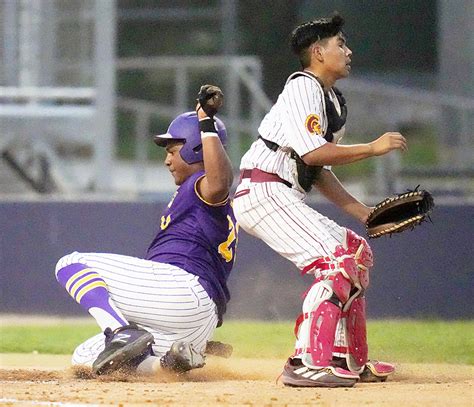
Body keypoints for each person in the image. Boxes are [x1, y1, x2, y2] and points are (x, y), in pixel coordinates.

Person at [233, 13, 406, 388]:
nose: (348, 50)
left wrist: (365, 214)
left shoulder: (331, 103)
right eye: (339, 44)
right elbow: (313, 153)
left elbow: (319, 170)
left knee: (355, 251)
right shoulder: (302, 87)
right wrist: (374, 148)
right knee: (337, 262)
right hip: (263, 190)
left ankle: (346, 358)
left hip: (280, 192)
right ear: (318, 52)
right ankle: (307, 362)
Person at [55, 85, 237, 375]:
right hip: (195, 319)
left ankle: (120, 331)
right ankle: (166, 365)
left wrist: (206, 123)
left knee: (70, 264)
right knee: (87, 358)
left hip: (183, 291)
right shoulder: (197, 195)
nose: (167, 160)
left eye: (173, 150)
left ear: (195, 148)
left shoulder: (201, 184)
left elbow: (219, 183)